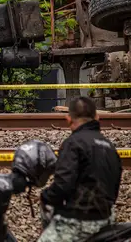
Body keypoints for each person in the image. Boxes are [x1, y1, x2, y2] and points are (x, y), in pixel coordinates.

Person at [38, 96, 122, 242]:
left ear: (68, 119)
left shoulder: (73, 144)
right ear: (97, 117)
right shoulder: (109, 146)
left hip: (79, 220)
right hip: (106, 218)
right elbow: (114, 187)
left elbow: (63, 185)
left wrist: (46, 196)